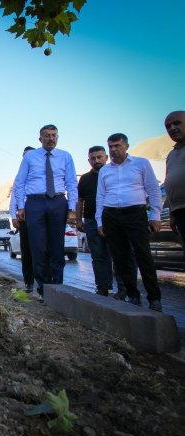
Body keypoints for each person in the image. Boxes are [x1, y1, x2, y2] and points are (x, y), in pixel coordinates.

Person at [96, 133, 163, 311]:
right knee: (120, 258)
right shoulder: (105, 170)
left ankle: (154, 298)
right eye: (110, 146)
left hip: (135, 213)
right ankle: (133, 295)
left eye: (117, 145)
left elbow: (154, 190)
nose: (113, 149)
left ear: (126, 146)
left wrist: (155, 215)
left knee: (143, 256)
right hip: (111, 215)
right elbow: (100, 197)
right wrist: (99, 222)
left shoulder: (141, 164)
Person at [13, 124, 78, 299]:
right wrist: (20, 207)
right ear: (40, 138)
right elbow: (20, 182)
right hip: (35, 202)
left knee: (57, 246)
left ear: (57, 137)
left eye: (54, 135)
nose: (51, 138)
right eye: (47, 136)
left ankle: (57, 287)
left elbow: (71, 183)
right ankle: (42, 287)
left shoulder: (65, 157)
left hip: (57, 201)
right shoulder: (30, 157)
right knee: (38, 246)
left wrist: (72, 208)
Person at [76, 146, 135, 298]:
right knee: (98, 256)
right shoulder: (85, 178)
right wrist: (78, 220)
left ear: (106, 157)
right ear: (89, 160)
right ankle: (103, 287)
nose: (96, 160)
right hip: (91, 221)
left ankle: (123, 288)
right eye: (93, 158)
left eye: (99, 157)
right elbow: (80, 200)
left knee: (118, 255)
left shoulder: (113, 173)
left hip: (112, 220)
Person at [9, 146, 35, 292]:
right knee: (27, 249)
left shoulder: (42, 174)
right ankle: (29, 282)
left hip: (40, 215)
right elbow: (14, 197)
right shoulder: (20, 176)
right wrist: (13, 216)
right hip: (24, 217)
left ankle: (45, 282)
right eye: (25, 156)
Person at [164, 111, 185, 243]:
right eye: (168, 126)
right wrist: (172, 214)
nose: (172, 128)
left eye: (177, 123)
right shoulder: (171, 155)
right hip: (180, 212)